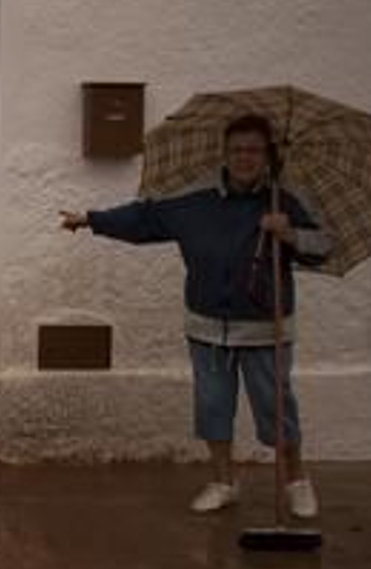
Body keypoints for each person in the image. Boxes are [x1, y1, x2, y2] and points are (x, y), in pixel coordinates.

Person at [59, 114, 333, 518]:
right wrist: (92, 220)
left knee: (276, 410)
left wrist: (289, 233)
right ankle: (223, 482)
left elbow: (324, 245)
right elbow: (145, 218)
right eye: (237, 149)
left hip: (264, 328)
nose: (245, 158)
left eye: (254, 150)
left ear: (267, 155)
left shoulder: (284, 201)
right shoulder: (196, 201)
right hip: (206, 325)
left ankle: (296, 481)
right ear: (225, 153)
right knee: (213, 407)